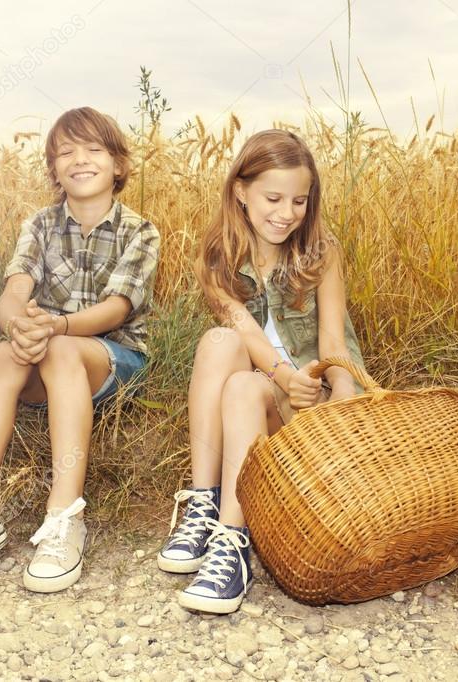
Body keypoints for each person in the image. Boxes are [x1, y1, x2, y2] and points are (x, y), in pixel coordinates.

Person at [0, 107, 160, 592]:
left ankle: (65, 516)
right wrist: (19, 327)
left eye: (94, 149)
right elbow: (14, 291)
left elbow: (118, 308)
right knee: (2, 355)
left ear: (118, 165)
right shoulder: (39, 224)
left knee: (61, 350)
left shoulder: (139, 230)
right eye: (65, 152)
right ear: (53, 169)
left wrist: (57, 326)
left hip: (115, 362)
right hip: (47, 351)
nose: (80, 159)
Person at [158, 129, 365, 613]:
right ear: (240, 191)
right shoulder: (217, 259)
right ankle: (207, 504)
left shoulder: (321, 254)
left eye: (298, 200)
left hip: (311, 412)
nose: (286, 212)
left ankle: (231, 542)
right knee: (221, 344)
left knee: (247, 384)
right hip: (259, 401)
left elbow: (335, 344)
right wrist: (279, 375)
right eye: (273, 197)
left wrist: (342, 404)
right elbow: (244, 331)